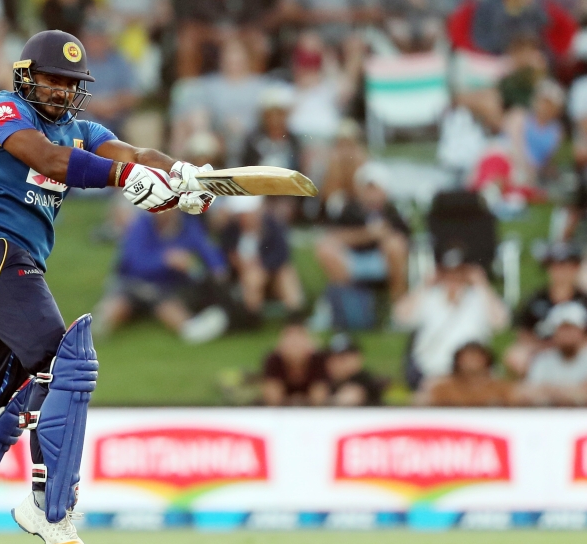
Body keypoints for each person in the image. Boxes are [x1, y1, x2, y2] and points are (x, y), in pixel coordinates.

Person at [0, 30, 217, 544]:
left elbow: (134, 155)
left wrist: (181, 174)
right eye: (51, 79)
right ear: (26, 77)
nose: (61, 91)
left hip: (12, 268)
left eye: (71, 84)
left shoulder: (81, 129)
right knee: (64, 362)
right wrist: (125, 177)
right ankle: (49, 504)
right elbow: (49, 159)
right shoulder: (2, 111)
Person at [97, 207, 230, 344]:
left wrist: (218, 268)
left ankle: (189, 328)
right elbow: (134, 261)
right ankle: (95, 328)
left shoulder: (187, 226)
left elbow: (206, 248)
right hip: (133, 281)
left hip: (167, 285)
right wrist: (165, 260)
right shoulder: (141, 225)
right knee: (120, 304)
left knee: (165, 302)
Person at [394, 247, 510, 389]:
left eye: (459, 273)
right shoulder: (428, 297)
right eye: (448, 273)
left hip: (474, 369)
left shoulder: (479, 297)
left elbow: (501, 323)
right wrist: (424, 285)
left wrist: (482, 284)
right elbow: (401, 318)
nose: (453, 278)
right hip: (435, 369)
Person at [315, 163, 411, 301]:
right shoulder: (349, 209)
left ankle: (399, 302)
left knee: (395, 246)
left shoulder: (393, 211)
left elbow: (404, 239)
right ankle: (349, 303)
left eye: (375, 189)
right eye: (367, 189)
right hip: (353, 259)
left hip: (382, 259)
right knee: (325, 249)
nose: (371, 194)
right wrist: (368, 234)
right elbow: (334, 236)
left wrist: (385, 235)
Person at [505, 242, 587, 376]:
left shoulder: (584, 300)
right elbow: (523, 332)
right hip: (542, 349)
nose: (562, 272)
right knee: (516, 355)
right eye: (557, 266)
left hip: (576, 350)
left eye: (568, 266)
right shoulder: (536, 299)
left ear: (576, 268)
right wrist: (545, 347)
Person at [218, 195, 302, 321]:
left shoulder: (273, 226)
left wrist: (262, 265)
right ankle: (252, 315)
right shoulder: (231, 231)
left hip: (270, 273)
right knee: (253, 278)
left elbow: (282, 255)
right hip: (244, 277)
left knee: (286, 274)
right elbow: (226, 257)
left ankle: (295, 315)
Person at [521, 301, 587, 406]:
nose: (567, 335)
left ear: (582, 332)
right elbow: (527, 393)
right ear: (554, 333)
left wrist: (552, 391)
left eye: (571, 329)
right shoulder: (542, 361)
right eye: (563, 329)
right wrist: (572, 392)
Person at [418, 341, 515, 407]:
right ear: (457, 362)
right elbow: (420, 402)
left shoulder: (502, 388)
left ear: (487, 361)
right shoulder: (443, 388)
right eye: (467, 358)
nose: (471, 362)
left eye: (476, 358)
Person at [259, 318, 330, 406]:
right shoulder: (273, 360)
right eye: (291, 340)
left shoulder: (318, 360)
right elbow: (273, 397)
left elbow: (319, 397)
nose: (295, 344)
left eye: (298, 339)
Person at [325, 333, 386, 406]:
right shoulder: (324, 381)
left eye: (343, 358)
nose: (335, 363)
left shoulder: (367, 382)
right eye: (332, 358)